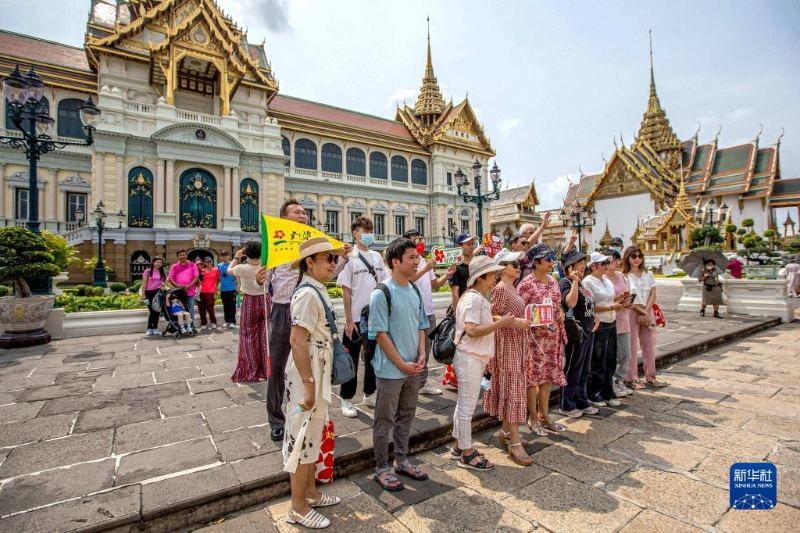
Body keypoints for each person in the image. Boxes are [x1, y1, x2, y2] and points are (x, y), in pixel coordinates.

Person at [255, 200, 351, 442]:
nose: (303, 216)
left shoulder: (312, 244)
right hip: (283, 310)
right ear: (285, 219)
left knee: (312, 364)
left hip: (310, 309)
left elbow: (326, 273)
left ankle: (309, 411)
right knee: (277, 368)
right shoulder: (277, 246)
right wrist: (259, 279)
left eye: (304, 213)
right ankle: (277, 419)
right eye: (297, 212)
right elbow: (265, 281)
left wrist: (342, 259)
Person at [282, 237, 344, 529]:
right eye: (328, 259)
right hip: (308, 371)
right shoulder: (307, 294)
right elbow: (296, 340)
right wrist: (308, 385)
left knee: (312, 435)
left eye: (335, 259)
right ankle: (297, 506)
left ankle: (309, 493)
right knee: (302, 436)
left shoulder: (315, 289)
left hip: (317, 367)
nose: (334, 264)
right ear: (310, 262)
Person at [369, 238, 430, 491]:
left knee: (407, 415)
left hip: (413, 366)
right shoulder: (381, 293)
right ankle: (381, 468)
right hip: (391, 369)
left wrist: (422, 353)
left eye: (417, 257)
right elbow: (380, 335)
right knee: (384, 420)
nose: (417, 262)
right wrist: (402, 364)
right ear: (396, 262)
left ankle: (401, 459)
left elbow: (421, 325)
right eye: (411, 258)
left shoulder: (414, 290)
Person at [452, 256, 513, 472]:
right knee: (467, 407)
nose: (496, 277)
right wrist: (501, 324)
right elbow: (472, 330)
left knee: (463, 405)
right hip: (470, 357)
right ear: (482, 276)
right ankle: (467, 453)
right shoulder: (473, 299)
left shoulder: (477, 297)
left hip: (474, 356)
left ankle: (459, 446)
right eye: (493, 274)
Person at [484, 248, 534, 466]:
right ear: (503, 268)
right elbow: (490, 315)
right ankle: (514, 441)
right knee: (513, 389)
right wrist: (514, 321)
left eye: (518, 264)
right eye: (514, 264)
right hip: (505, 344)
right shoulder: (501, 289)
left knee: (514, 388)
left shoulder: (511, 288)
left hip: (516, 343)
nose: (518, 267)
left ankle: (506, 431)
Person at [337, 216, 388, 417]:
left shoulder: (376, 257)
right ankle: (347, 399)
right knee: (350, 359)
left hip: (374, 317)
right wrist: (349, 320)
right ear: (355, 233)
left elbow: (383, 285)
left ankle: (369, 393)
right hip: (356, 318)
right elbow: (346, 291)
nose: (367, 234)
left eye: (369, 230)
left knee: (373, 358)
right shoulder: (350, 256)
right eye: (363, 230)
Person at [517, 244, 568, 433]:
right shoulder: (526, 284)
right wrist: (539, 318)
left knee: (547, 377)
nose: (551, 262)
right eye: (547, 259)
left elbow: (557, 304)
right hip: (534, 339)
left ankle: (544, 414)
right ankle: (532, 417)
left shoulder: (553, 281)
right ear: (536, 263)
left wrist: (560, 312)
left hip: (552, 337)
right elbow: (519, 311)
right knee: (532, 379)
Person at [406, 229, 454, 396]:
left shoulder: (426, 260)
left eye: (421, 240)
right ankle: (409, 385)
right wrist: (425, 268)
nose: (420, 243)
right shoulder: (410, 262)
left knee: (425, 350)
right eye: (415, 240)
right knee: (411, 350)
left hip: (428, 312)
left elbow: (435, 285)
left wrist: (447, 275)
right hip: (411, 313)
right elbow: (406, 280)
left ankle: (422, 383)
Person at [558, 249, 598, 418]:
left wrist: (595, 318)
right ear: (569, 267)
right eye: (579, 265)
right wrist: (574, 281)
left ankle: (581, 399)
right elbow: (571, 303)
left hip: (589, 330)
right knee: (573, 368)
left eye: (583, 264)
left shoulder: (581, 284)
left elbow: (587, 305)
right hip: (576, 332)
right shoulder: (566, 283)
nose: (583, 267)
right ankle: (567, 403)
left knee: (584, 369)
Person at [583, 252, 625, 408]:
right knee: (598, 361)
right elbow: (590, 306)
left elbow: (610, 299)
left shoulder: (606, 281)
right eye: (603, 264)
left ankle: (608, 392)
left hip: (611, 320)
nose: (606, 266)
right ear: (593, 266)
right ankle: (595, 393)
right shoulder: (588, 282)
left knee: (610, 359)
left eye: (607, 263)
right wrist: (612, 306)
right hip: (599, 323)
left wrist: (620, 299)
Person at [622, 247, 665, 387]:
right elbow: (626, 298)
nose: (637, 259)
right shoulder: (624, 276)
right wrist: (641, 311)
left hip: (647, 309)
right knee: (632, 345)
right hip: (632, 311)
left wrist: (646, 311)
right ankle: (632, 378)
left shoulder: (647, 274)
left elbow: (653, 294)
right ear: (627, 258)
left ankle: (651, 376)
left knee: (649, 344)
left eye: (639, 256)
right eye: (633, 256)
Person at [230, 241, 270, 383]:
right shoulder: (266, 267)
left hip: (249, 302)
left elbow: (228, 270)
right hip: (265, 301)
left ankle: (251, 371)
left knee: (248, 336)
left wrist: (236, 256)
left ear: (246, 253)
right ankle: (267, 370)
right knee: (265, 336)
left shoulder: (241, 268)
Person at [444, 232, 479, 389]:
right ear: (459, 247)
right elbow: (455, 294)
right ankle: (457, 379)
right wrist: (459, 315)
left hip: (476, 309)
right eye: (467, 244)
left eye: (472, 244)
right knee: (461, 346)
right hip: (463, 312)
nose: (471, 247)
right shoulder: (456, 268)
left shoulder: (474, 265)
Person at [604, 249, 634, 398]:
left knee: (625, 354)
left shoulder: (622, 276)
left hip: (623, 318)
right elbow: (602, 302)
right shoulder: (601, 279)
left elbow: (628, 295)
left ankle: (619, 379)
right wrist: (618, 298)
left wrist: (628, 301)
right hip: (609, 320)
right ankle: (610, 384)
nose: (618, 263)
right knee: (610, 356)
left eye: (618, 260)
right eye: (614, 260)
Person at [168, 249, 200, 323]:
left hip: (190, 291)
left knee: (190, 308)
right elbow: (171, 278)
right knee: (178, 308)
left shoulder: (192, 265)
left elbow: (196, 277)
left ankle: (191, 325)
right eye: (180, 255)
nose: (182, 256)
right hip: (178, 292)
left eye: (183, 255)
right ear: (177, 257)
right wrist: (178, 286)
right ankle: (179, 325)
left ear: (186, 255)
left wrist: (189, 285)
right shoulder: (174, 267)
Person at [141, 256, 166, 336]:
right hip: (149, 293)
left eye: (160, 262)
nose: (159, 264)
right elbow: (144, 283)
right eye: (157, 262)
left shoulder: (161, 272)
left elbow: (166, 282)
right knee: (152, 311)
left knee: (157, 311)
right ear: (153, 263)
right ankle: (149, 328)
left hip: (158, 293)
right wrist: (143, 294)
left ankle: (155, 328)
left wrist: (176, 287)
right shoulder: (147, 271)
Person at [217, 250, 240, 329]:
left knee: (232, 306)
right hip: (223, 289)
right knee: (225, 306)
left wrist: (238, 286)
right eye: (222, 256)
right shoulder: (219, 265)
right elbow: (218, 277)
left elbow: (237, 276)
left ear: (228, 256)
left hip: (232, 288)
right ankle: (226, 321)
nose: (224, 257)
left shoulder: (232, 264)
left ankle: (232, 321)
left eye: (225, 255)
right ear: (221, 257)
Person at [197, 257, 220, 331]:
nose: (209, 263)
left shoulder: (216, 270)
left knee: (210, 308)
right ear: (204, 263)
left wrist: (215, 286)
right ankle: (204, 323)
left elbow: (218, 279)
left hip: (210, 292)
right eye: (207, 262)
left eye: (210, 262)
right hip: (201, 292)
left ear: (212, 262)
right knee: (201, 309)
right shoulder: (202, 271)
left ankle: (213, 322)